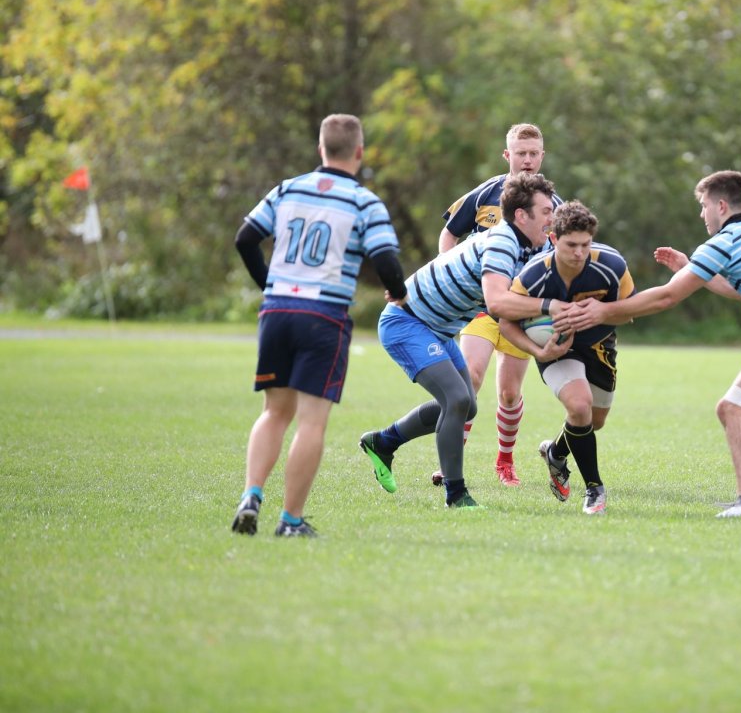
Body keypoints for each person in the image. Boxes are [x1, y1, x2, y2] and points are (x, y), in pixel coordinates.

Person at [559, 170, 741, 519]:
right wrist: (691, 268)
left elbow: (667, 297)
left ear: (720, 205)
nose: (702, 214)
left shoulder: (723, 242)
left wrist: (602, 312)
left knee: (732, 408)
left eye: (703, 206)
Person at [230, 114, 405, 537]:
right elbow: (384, 260)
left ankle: (251, 494)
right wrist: (398, 292)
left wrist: (269, 284)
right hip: (322, 316)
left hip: (277, 310)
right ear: (359, 153)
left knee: (274, 411)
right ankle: (290, 521)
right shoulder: (364, 202)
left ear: (320, 149)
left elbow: (245, 238)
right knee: (311, 421)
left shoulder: (288, 189)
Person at [358, 172, 571, 508]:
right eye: (545, 211)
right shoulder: (503, 241)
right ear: (521, 215)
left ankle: (383, 442)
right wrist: (549, 307)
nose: (552, 217)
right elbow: (499, 303)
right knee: (457, 400)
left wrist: (546, 341)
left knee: (466, 403)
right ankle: (456, 494)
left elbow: (522, 304)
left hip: (438, 329)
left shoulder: (540, 246)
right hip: (406, 321)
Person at [436, 123, 563, 487]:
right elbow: (449, 231)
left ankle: (504, 462)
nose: (526, 160)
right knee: (470, 377)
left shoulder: (553, 205)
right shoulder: (485, 194)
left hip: (522, 311)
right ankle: (451, 464)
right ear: (507, 155)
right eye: (520, 153)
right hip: (478, 304)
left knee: (509, 392)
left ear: (542, 156)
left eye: (533, 153)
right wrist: (449, 271)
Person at [498, 201, 636, 515]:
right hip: (557, 351)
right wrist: (538, 350)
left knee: (593, 422)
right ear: (552, 238)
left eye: (585, 245)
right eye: (571, 244)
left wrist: (596, 315)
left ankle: (556, 452)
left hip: (600, 347)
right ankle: (594, 490)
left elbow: (631, 311)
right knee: (579, 405)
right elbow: (505, 319)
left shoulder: (611, 265)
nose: (579, 252)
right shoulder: (533, 276)